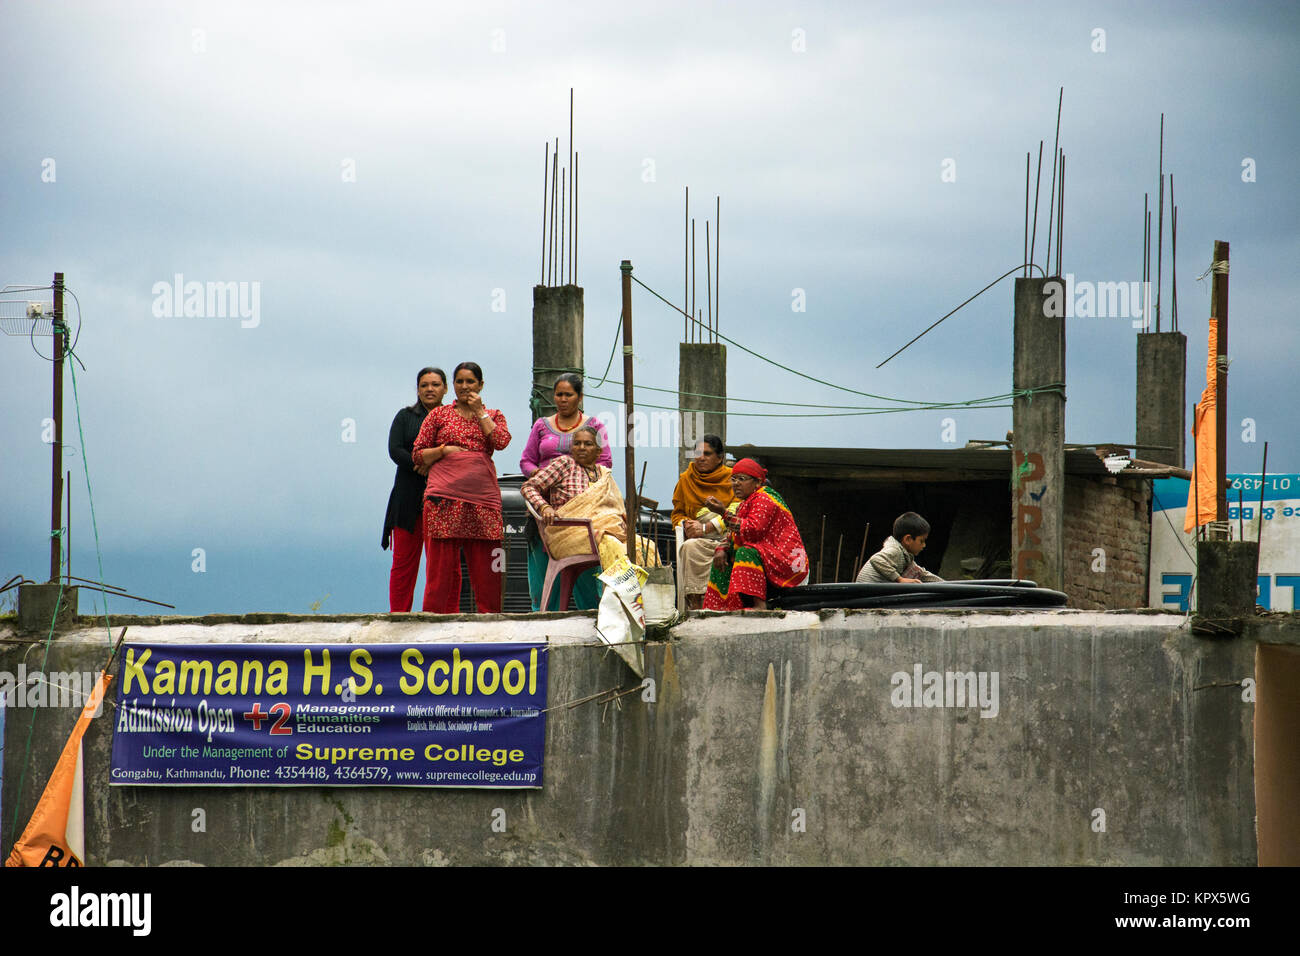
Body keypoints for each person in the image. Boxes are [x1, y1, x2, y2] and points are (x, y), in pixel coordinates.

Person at [411, 362, 511, 613]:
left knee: (487, 569)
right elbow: (418, 454)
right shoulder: (439, 415)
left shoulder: (494, 414)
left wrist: (481, 413)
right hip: (443, 499)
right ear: (452, 386)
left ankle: (491, 624)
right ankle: (433, 626)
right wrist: (444, 450)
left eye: (470, 382)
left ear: (481, 385)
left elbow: (500, 442)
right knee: (440, 572)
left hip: (482, 501)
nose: (465, 387)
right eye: (460, 382)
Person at [519, 373, 613, 609]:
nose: (562, 399)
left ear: (579, 397)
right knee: (543, 576)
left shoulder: (595, 426)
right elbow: (527, 462)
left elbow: (605, 463)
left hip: (582, 509)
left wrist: (577, 478)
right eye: (559, 394)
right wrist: (546, 479)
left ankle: (591, 618)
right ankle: (543, 622)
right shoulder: (542, 425)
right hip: (545, 508)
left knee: (586, 577)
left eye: (568, 394)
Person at [703, 458, 809, 611]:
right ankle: (721, 607)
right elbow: (733, 535)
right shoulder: (744, 504)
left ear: (757, 483)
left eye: (742, 479)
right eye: (733, 479)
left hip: (788, 562)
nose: (736, 483)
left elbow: (753, 530)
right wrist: (722, 548)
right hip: (767, 557)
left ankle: (759, 605)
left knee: (746, 552)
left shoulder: (764, 498)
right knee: (721, 555)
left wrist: (722, 512)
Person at [383, 366, 447, 612]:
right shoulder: (405, 416)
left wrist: (435, 468)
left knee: (441, 565)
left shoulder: (453, 418)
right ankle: (399, 616)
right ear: (417, 389)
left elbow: (460, 450)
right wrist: (420, 463)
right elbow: (395, 450)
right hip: (407, 498)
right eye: (424, 385)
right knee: (403, 563)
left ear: (445, 388)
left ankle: (440, 616)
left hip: (443, 499)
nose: (429, 389)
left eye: (435, 384)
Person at [671, 435, 734, 609]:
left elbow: (740, 510)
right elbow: (677, 513)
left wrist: (707, 527)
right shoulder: (686, 479)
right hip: (698, 539)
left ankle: (724, 604)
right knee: (690, 546)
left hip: (728, 536)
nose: (700, 457)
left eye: (707, 453)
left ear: (720, 457)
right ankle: (696, 605)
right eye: (697, 453)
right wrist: (686, 525)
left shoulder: (733, 479)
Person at [856, 512, 944, 584]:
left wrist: (949, 584)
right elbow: (876, 559)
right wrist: (900, 579)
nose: (924, 545)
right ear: (908, 539)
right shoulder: (895, 550)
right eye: (922, 541)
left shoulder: (905, 555)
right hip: (866, 595)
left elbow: (923, 575)